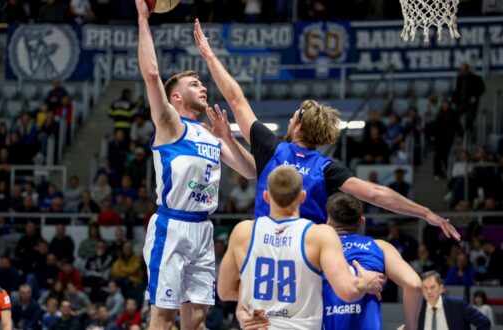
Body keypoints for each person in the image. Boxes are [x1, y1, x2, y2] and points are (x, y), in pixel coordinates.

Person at [193, 19, 459, 241]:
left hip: (267, 247)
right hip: (309, 254)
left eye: (294, 116)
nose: (290, 119)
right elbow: (377, 195)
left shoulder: (272, 148)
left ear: (297, 127)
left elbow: (237, 99)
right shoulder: (327, 169)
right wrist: (424, 212)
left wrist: (209, 54)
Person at [136, 1, 256, 329]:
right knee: (162, 317)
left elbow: (252, 172)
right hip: (172, 227)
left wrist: (228, 138)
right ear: (175, 97)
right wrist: (143, 19)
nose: (203, 87)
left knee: (198, 320)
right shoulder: (170, 124)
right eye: (194, 84)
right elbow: (150, 74)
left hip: (203, 228)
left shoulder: (211, 132)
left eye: (202, 84)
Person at [218, 165, 384, 329]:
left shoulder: (243, 232)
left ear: (266, 196)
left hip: (261, 324)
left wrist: (245, 304)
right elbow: (347, 291)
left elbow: (224, 291)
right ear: (303, 197)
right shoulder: (319, 235)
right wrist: (365, 283)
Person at [322, 193, 422, 330]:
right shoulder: (380, 247)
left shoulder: (317, 251)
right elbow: (414, 285)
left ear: (328, 223)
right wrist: (411, 326)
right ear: (362, 222)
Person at [419, 271, 490, 330]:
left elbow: (484, 322)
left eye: (432, 287)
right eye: (425, 288)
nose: (429, 291)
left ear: (441, 289)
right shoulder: (417, 309)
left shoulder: (458, 305)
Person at [451, 63, 486, 131]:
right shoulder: (458, 78)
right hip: (460, 102)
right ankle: (460, 132)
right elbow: (455, 90)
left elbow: (482, 88)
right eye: (460, 69)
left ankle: (469, 134)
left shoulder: (475, 78)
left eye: (463, 69)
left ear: (467, 69)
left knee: (469, 119)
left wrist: (475, 96)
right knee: (453, 116)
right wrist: (453, 100)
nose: (461, 71)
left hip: (470, 104)